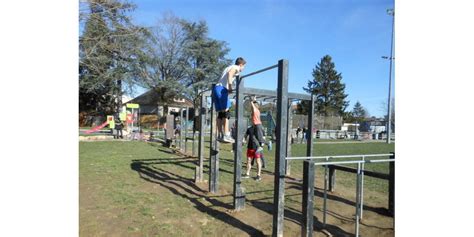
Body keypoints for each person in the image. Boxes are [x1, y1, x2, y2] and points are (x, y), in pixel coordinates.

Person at [213, 57, 246, 143]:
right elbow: (230, 74)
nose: (243, 69)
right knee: (226, 113)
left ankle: (220, 135)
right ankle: (227, 134)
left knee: (220, 114)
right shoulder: (236, 68)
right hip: (222, 89)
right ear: (241, 64)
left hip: (216, 89)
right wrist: (230, 87)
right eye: (244, 67)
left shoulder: (228, 67)